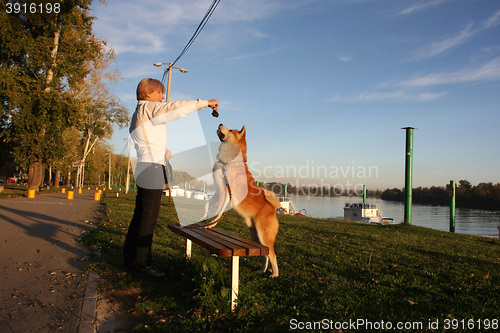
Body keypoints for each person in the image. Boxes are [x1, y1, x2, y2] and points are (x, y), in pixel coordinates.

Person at [123, 78, 219, 278]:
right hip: (151, 169)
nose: (161, 97)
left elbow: (144, 140)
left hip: (144, 166)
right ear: (148, 94)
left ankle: (130, 259)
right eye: (159, 93)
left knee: (140, 215)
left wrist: (162, 153)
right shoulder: (149, 107)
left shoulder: (138, 113)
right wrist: (204, 103)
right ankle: (142, 266)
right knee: (148, 219)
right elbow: (175, 109)